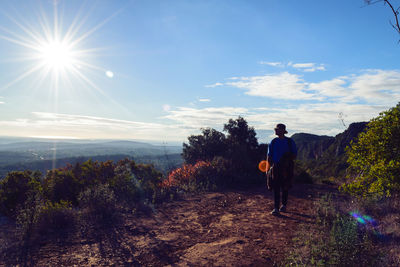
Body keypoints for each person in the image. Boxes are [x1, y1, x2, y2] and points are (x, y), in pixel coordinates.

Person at [267, 123, 297, 215]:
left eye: (277, 129)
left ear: (283, 131)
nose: (275, 130)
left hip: (287, 168)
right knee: (276, 186)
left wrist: (286, 159)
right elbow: (269, 156)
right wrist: (268, 169)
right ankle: (276, 208)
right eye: (275, 129)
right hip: (276, 167)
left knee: (285, 186)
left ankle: (283, 205)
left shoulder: (289, 141)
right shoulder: (273, 142)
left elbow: (294, 155)